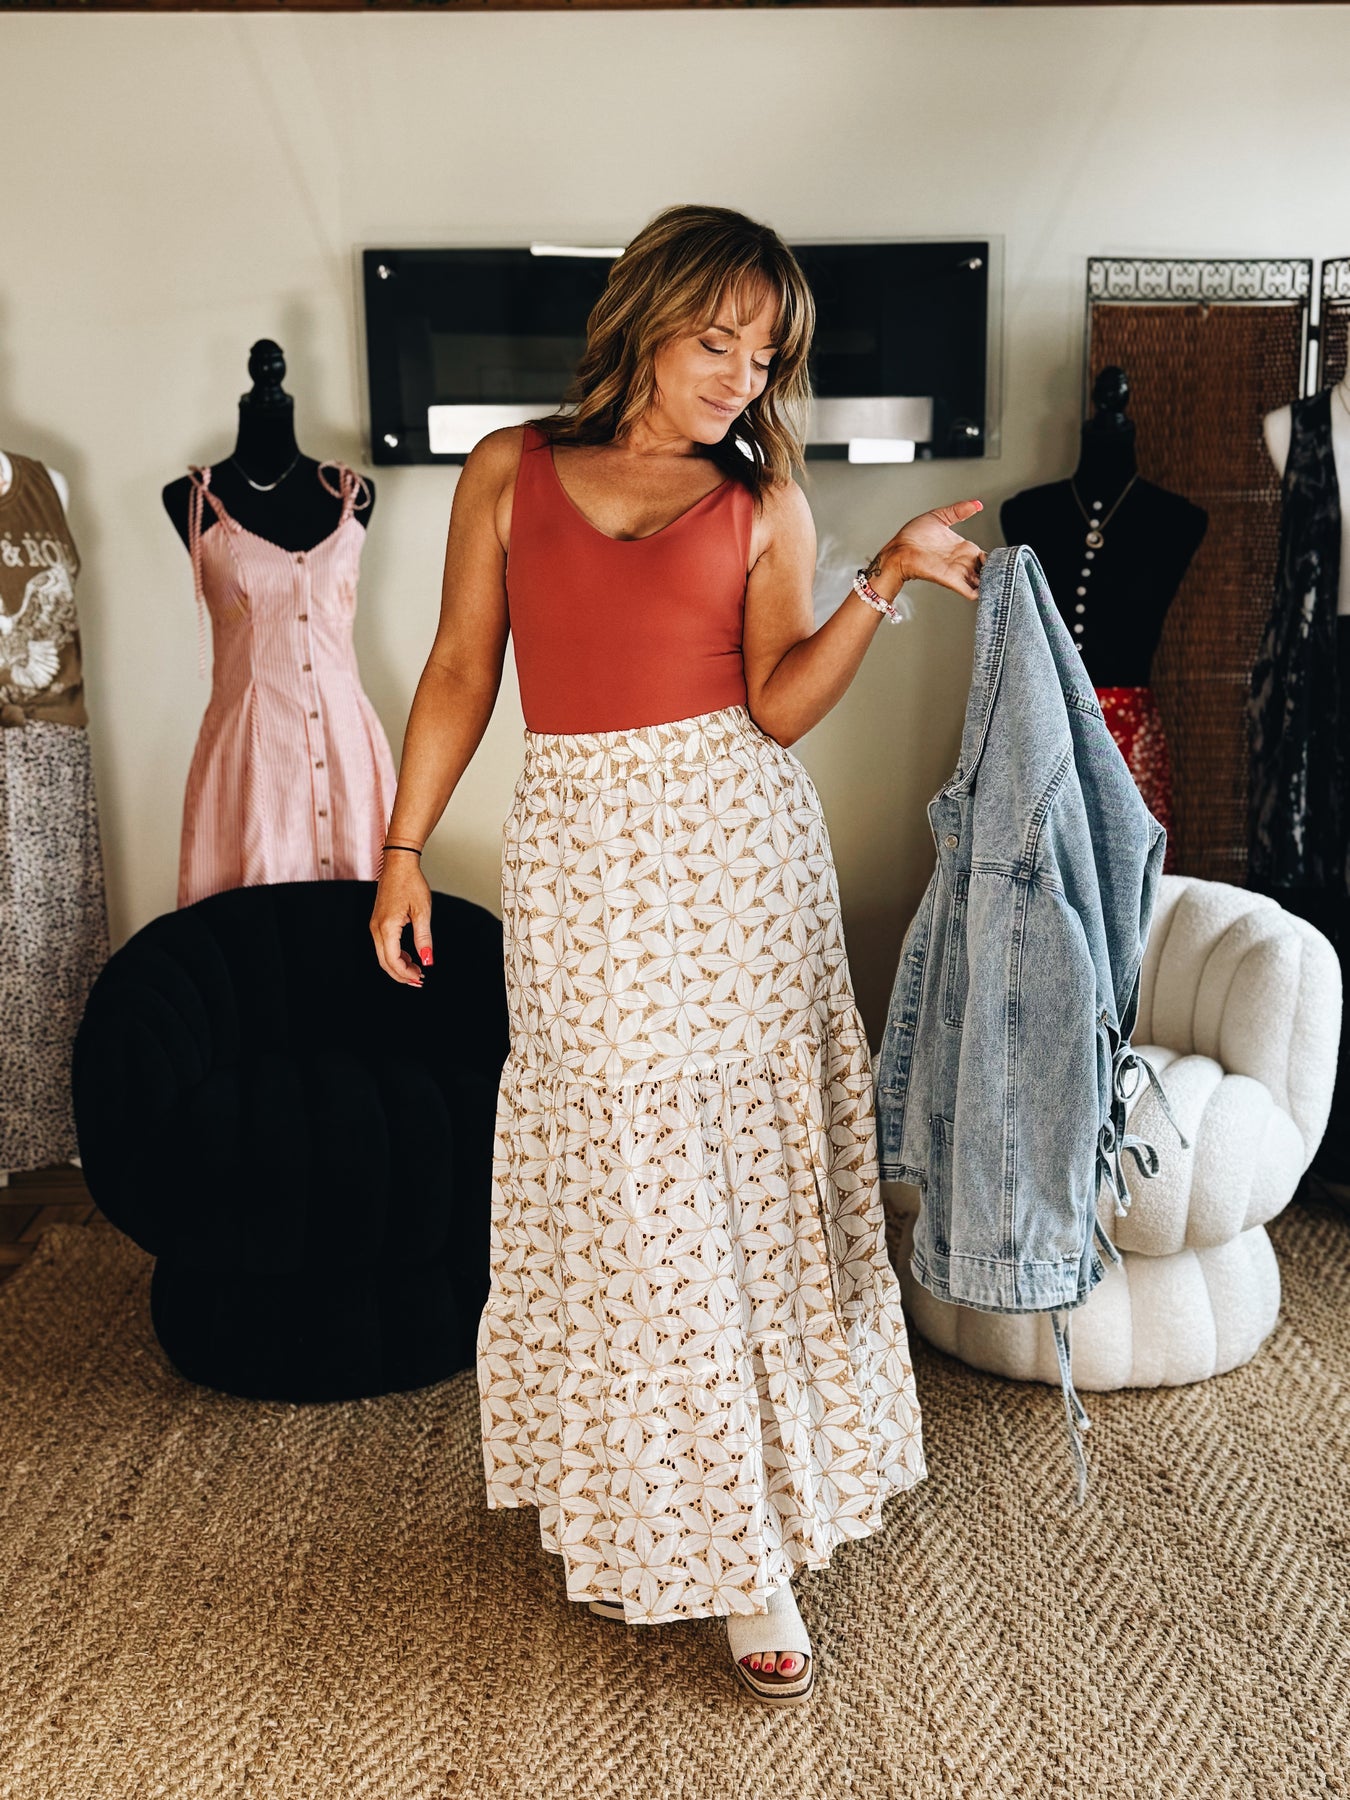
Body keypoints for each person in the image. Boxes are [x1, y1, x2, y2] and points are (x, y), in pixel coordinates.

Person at [370, 202, 986, 1704]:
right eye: (716, 341)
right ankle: (652, 1496)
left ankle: (750, 1548)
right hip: (583, 860)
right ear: (644, 320)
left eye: (763, 357)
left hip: (738, 863)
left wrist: (885, 575)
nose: (738, 377)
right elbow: (461, 663)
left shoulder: (762, 498)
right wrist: (401, 848)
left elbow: (777, 707)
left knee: (747, 1179)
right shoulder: (510, 469)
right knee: (635, 1187)